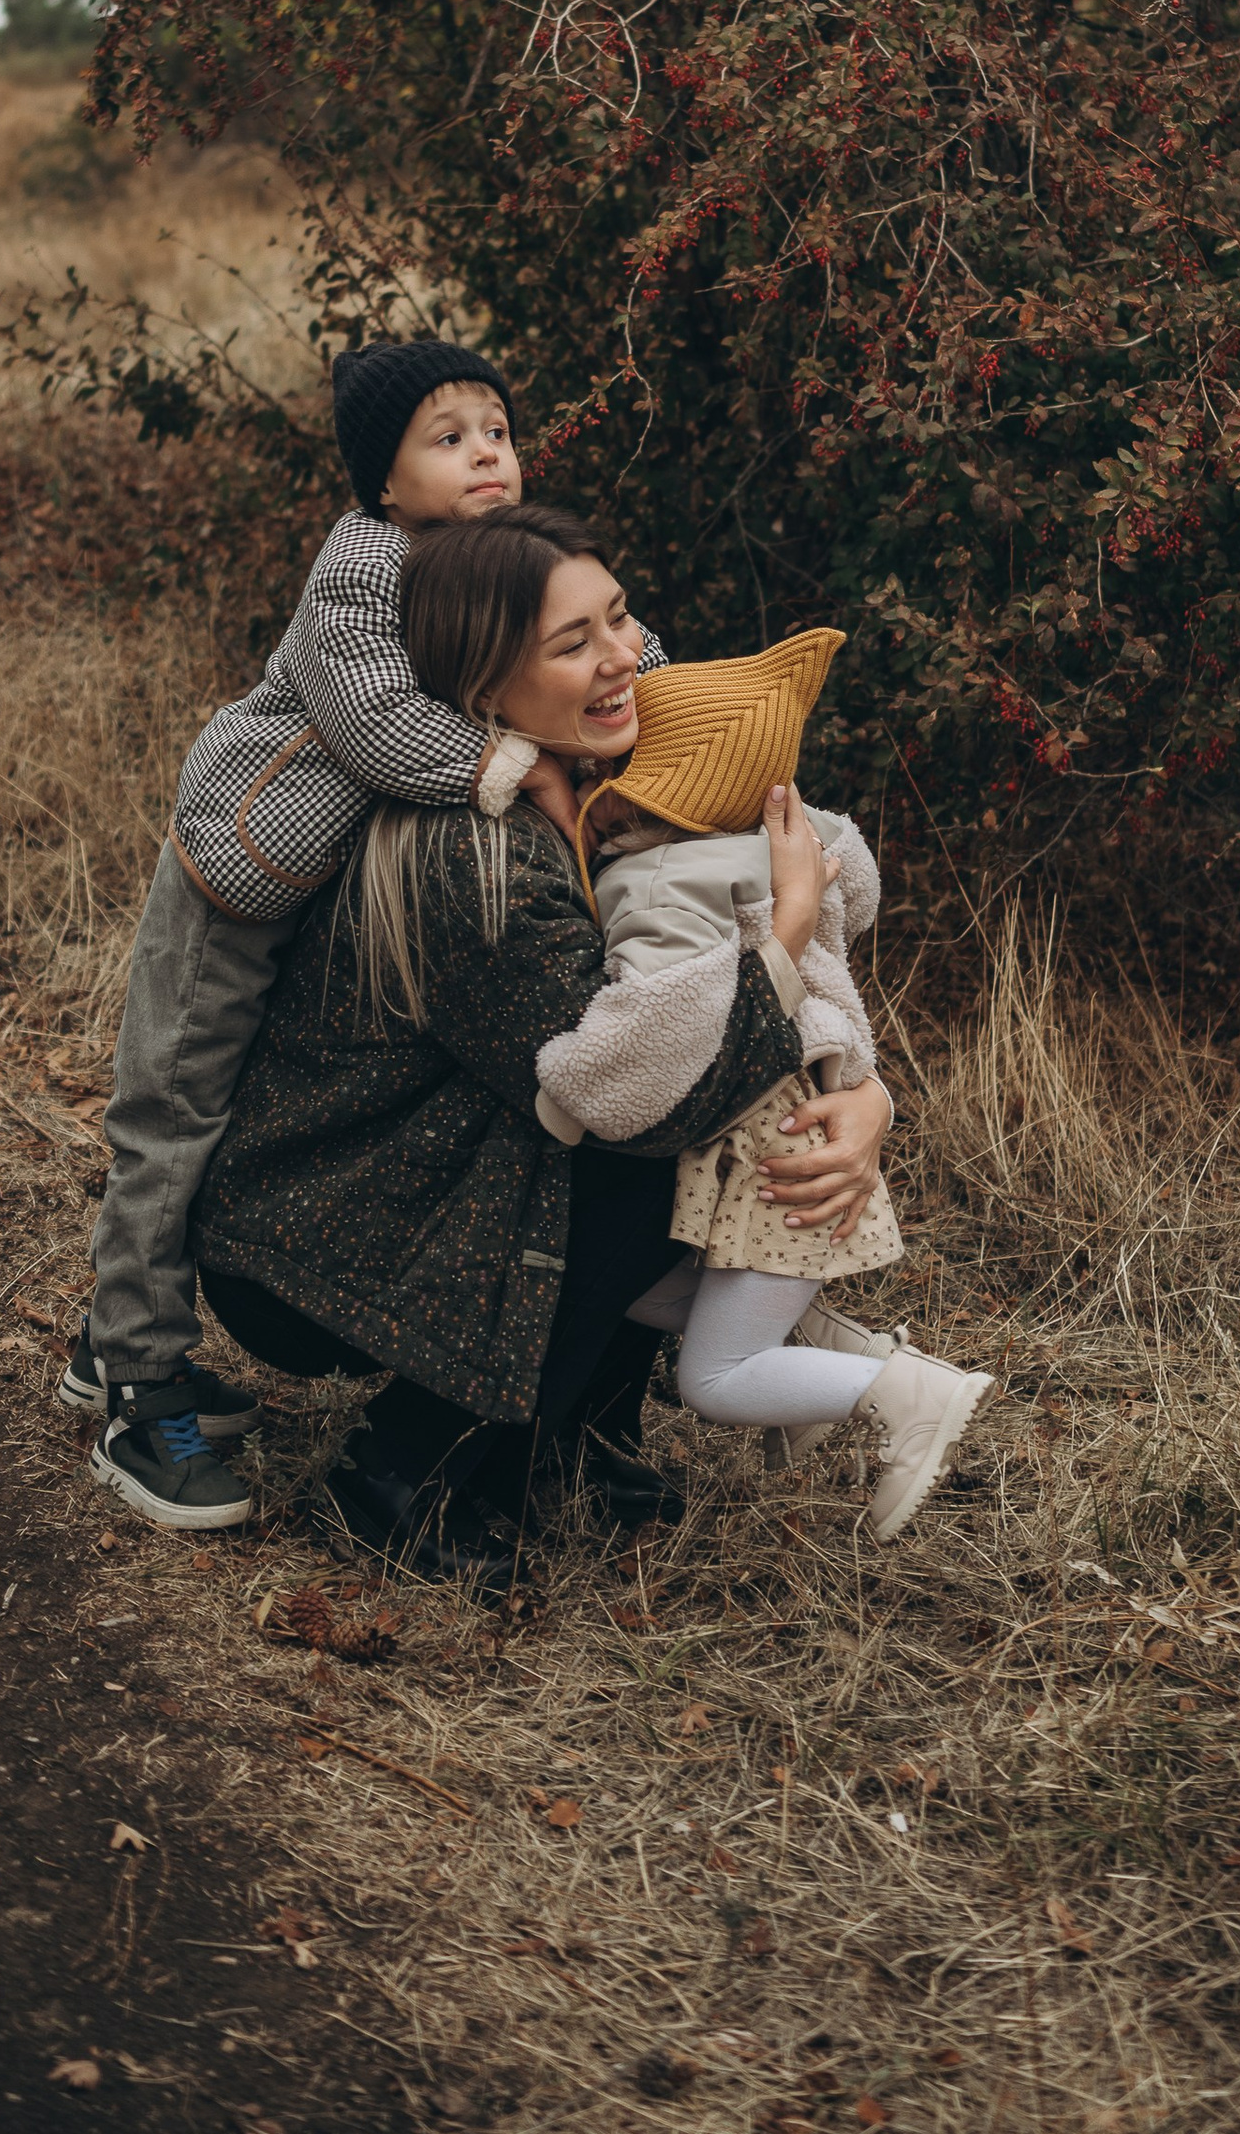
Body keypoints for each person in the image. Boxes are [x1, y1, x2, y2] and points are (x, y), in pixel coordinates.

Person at [188, 509, 894, 1589]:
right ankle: (403, 1475)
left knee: (658, 1119)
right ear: (483, 684)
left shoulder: (619, 778)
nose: (624, 656)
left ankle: (570, 1440)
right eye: (573, 644)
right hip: (318, 1226)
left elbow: (812, 867)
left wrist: (870, 1095)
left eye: (618, 617)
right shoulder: (469, 852)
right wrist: (781, 939)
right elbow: (639, 1097)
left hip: (433, 1171)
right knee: (628, 1158)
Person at [69, 338, 668, 1534]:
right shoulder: (362, 566)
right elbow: (377, 722)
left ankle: (567, 1426)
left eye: (493, 428)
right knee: (174, 1109)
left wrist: (679, 712)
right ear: (382, 485)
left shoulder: (506, 559)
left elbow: (629, 650)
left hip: (342, 888)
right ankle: (134, 1372)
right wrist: (521, 763)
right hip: (241, 875)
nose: (483, 452)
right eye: (445, 439)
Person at [535, 636, 993, 1538]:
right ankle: (823, 1378)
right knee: (646, 1283)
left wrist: (567, 1090)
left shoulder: (657, 883)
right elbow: (852, 892)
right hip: (790, 1122)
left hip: (761, 1151)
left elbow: (652, 1029)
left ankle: (904, 1390)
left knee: (713, 1374)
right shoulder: (781, 849)